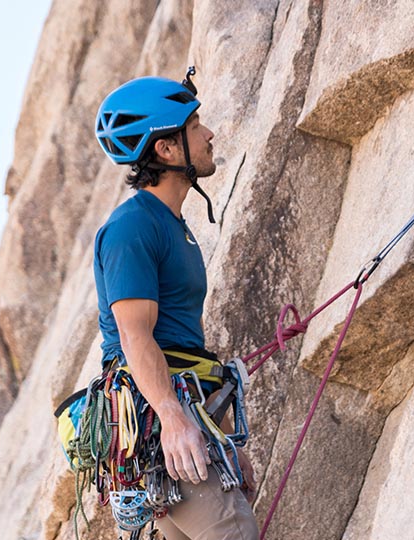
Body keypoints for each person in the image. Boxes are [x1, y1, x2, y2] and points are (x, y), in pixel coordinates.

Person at [92, 69, 260, 539]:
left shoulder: (171, 227)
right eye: (194, 127)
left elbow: (175, 344)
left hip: (182, 418)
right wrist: (174, 420)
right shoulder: (133, 227)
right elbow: (134, 336)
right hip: (160, 422)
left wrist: (215, 438)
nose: (208, 134)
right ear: (165, 149)